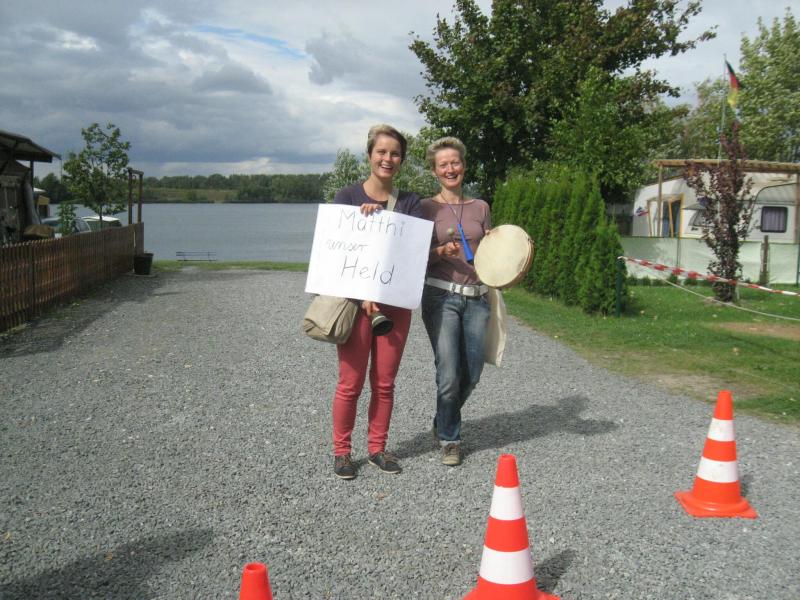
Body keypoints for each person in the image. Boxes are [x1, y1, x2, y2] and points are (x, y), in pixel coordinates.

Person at [330, 124, 423, 479]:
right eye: (381, 151)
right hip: (355, 306)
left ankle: (377, 449)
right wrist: (362, 224)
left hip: (394, 306)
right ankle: (342, 452)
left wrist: (382, 222)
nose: (388, 158)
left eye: (395, 153)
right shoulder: (347, 197)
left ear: (401, 160)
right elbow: (336, 256)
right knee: (350, 383)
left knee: (384, 383)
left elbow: (411, 250)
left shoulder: (410, 203)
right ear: (369, 155)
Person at [421, 137, 491, 467]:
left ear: (463, 165)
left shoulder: (481, 207)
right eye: (443, 164)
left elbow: (491, 252)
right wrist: (439, 251)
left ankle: (442, 418)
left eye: (455, 162)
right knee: (448, 374)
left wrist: (514, 250)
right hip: (440, 295)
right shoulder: (425, 208)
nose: (450, 168)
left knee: (472, 374)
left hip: (478, 298)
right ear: (434, 171)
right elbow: (412, 256)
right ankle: (450, 439)